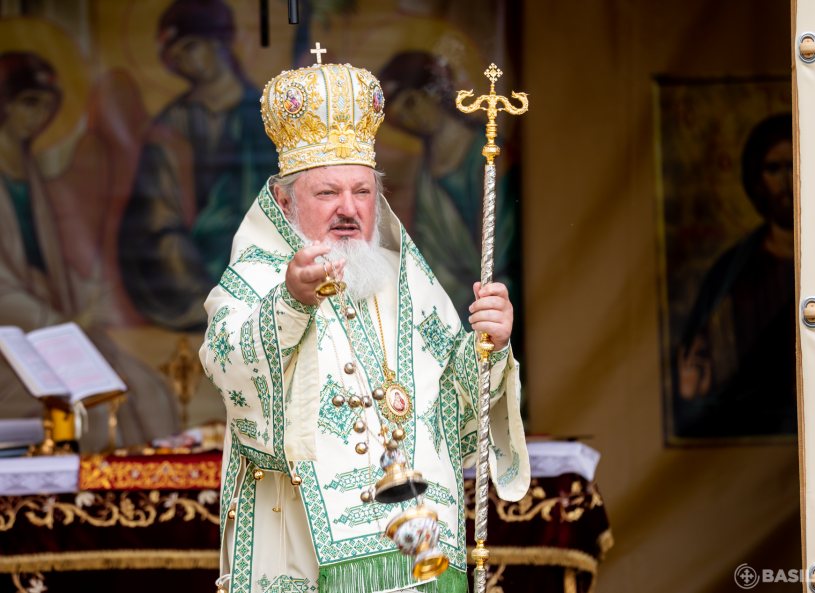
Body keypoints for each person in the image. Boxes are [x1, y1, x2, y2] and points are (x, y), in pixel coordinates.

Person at [200, 57, 529, 592]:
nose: (348, 209)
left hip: (418, 548)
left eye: (362, 192)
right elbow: (229, 369)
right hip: (305, 552)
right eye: (327, 193)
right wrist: (291, 302)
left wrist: (488, 345)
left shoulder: (410, 282)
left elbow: (455, 416)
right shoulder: (258, 277)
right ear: (284, 200)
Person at [0, 51, 179, 451]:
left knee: (146, 386)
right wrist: (58, 320)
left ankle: (161, 484)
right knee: (95, 405)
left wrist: (80, 303)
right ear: (4, 103)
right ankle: (98, 490)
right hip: (13, 344)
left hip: (46, 327)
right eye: (29, 103)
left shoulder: (26, 167)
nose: (38, 116)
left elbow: (48, 261)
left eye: (46, 106)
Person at [119, 0, 278, 330]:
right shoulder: (170, 126)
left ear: (219, 41)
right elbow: (156, 217)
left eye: (190, 47)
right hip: (195, 270)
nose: (183, 61)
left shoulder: (269, 115)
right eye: (174, 56)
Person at [674, 113, 797, 438]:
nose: (786, 180)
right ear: (757, 180)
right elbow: (698, 372)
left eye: (793, 165)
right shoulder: (730, 272)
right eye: (774, 168)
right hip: (749, 426)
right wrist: (694, 392)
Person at [378, 51, 521, 326]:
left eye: (411, 102)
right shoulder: (425, 172)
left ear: (433, 91)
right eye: (399, 118)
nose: (410, 118)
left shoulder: (488, 154)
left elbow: (504, 245)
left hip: (495, 300)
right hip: (453, 304)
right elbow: (431, 251)